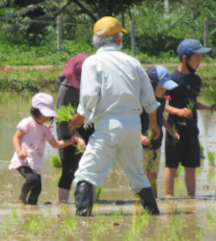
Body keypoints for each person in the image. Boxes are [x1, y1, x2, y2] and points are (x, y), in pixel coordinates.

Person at [69, 16, 161, 216]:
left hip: (107, 126)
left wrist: (78, 117)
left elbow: (90, 95)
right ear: (118, 39)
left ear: (96, 40)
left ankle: (82, 222)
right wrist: (153, 122)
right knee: (137, 176)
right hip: (132, 127)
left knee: (86, 174)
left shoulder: (92, 62)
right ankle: (154, 217)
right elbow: (148, 96)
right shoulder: (132, 62)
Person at [164, 39, 216, 196]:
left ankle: (192, 199)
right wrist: (178, 111)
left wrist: (210, 108)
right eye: (197, 58)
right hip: (174, 129)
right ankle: (169, 200)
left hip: (191, 129)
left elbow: (193, 103)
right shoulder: (171, 79)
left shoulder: (196, 80)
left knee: (191, 167)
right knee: (171, 166)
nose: (200, 62)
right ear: (185, 58)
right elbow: (161, 104)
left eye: (200, 58)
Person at [9, 93, 82, 205]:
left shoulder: (46, 129)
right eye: (44, 114)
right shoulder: (27, 123)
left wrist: (71, 141)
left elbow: (56, 144)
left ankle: (32, 208)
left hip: (36, 163)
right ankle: (22, 197)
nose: (47, 118)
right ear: (35, 111)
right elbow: (16, 137)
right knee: (32, 180)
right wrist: (19, 151)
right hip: (23, 161)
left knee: (37, 189)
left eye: (48, 115)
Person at [56, 53, 94, 203]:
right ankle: (62, 204)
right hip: (69, 130)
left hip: (89, 126)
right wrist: (76, 137)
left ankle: (88, 200)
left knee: (90, 166)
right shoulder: (66, 89)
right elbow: (61, 119)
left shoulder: (96, 83)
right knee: (69, 169)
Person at [140, 66, 180, 198]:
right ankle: (138, 206)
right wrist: (140, 136)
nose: (165, 90)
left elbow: (160, 116)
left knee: (153, 175)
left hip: (156, 144)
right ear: (151, 84)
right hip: (141, 146)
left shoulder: (161, 99)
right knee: (140, 176)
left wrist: (170, 130)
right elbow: (131, 120)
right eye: (162, 87)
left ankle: (152, 203)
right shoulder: (140, 100)